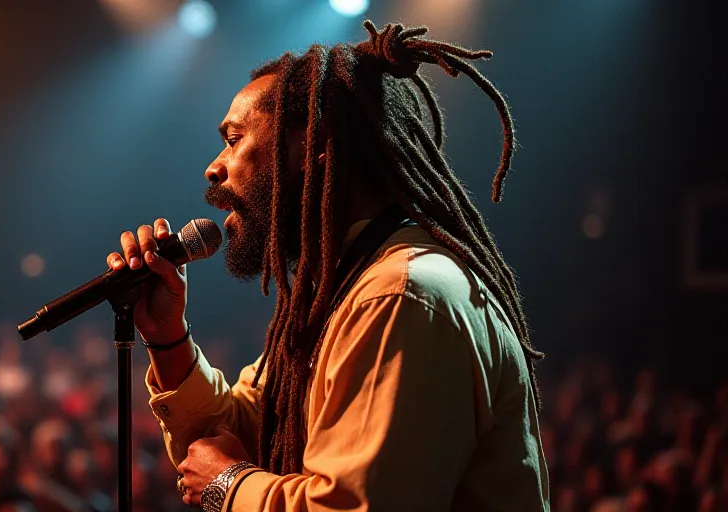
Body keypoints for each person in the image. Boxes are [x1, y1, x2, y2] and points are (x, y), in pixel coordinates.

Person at [105, 20, 550, 511]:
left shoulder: (397, 296)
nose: (213, 167)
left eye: (234, 139)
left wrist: (229, 488)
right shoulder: (341, 292)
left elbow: (352, 505)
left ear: (314, 152)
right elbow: (232, 440)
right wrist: (167, 339)